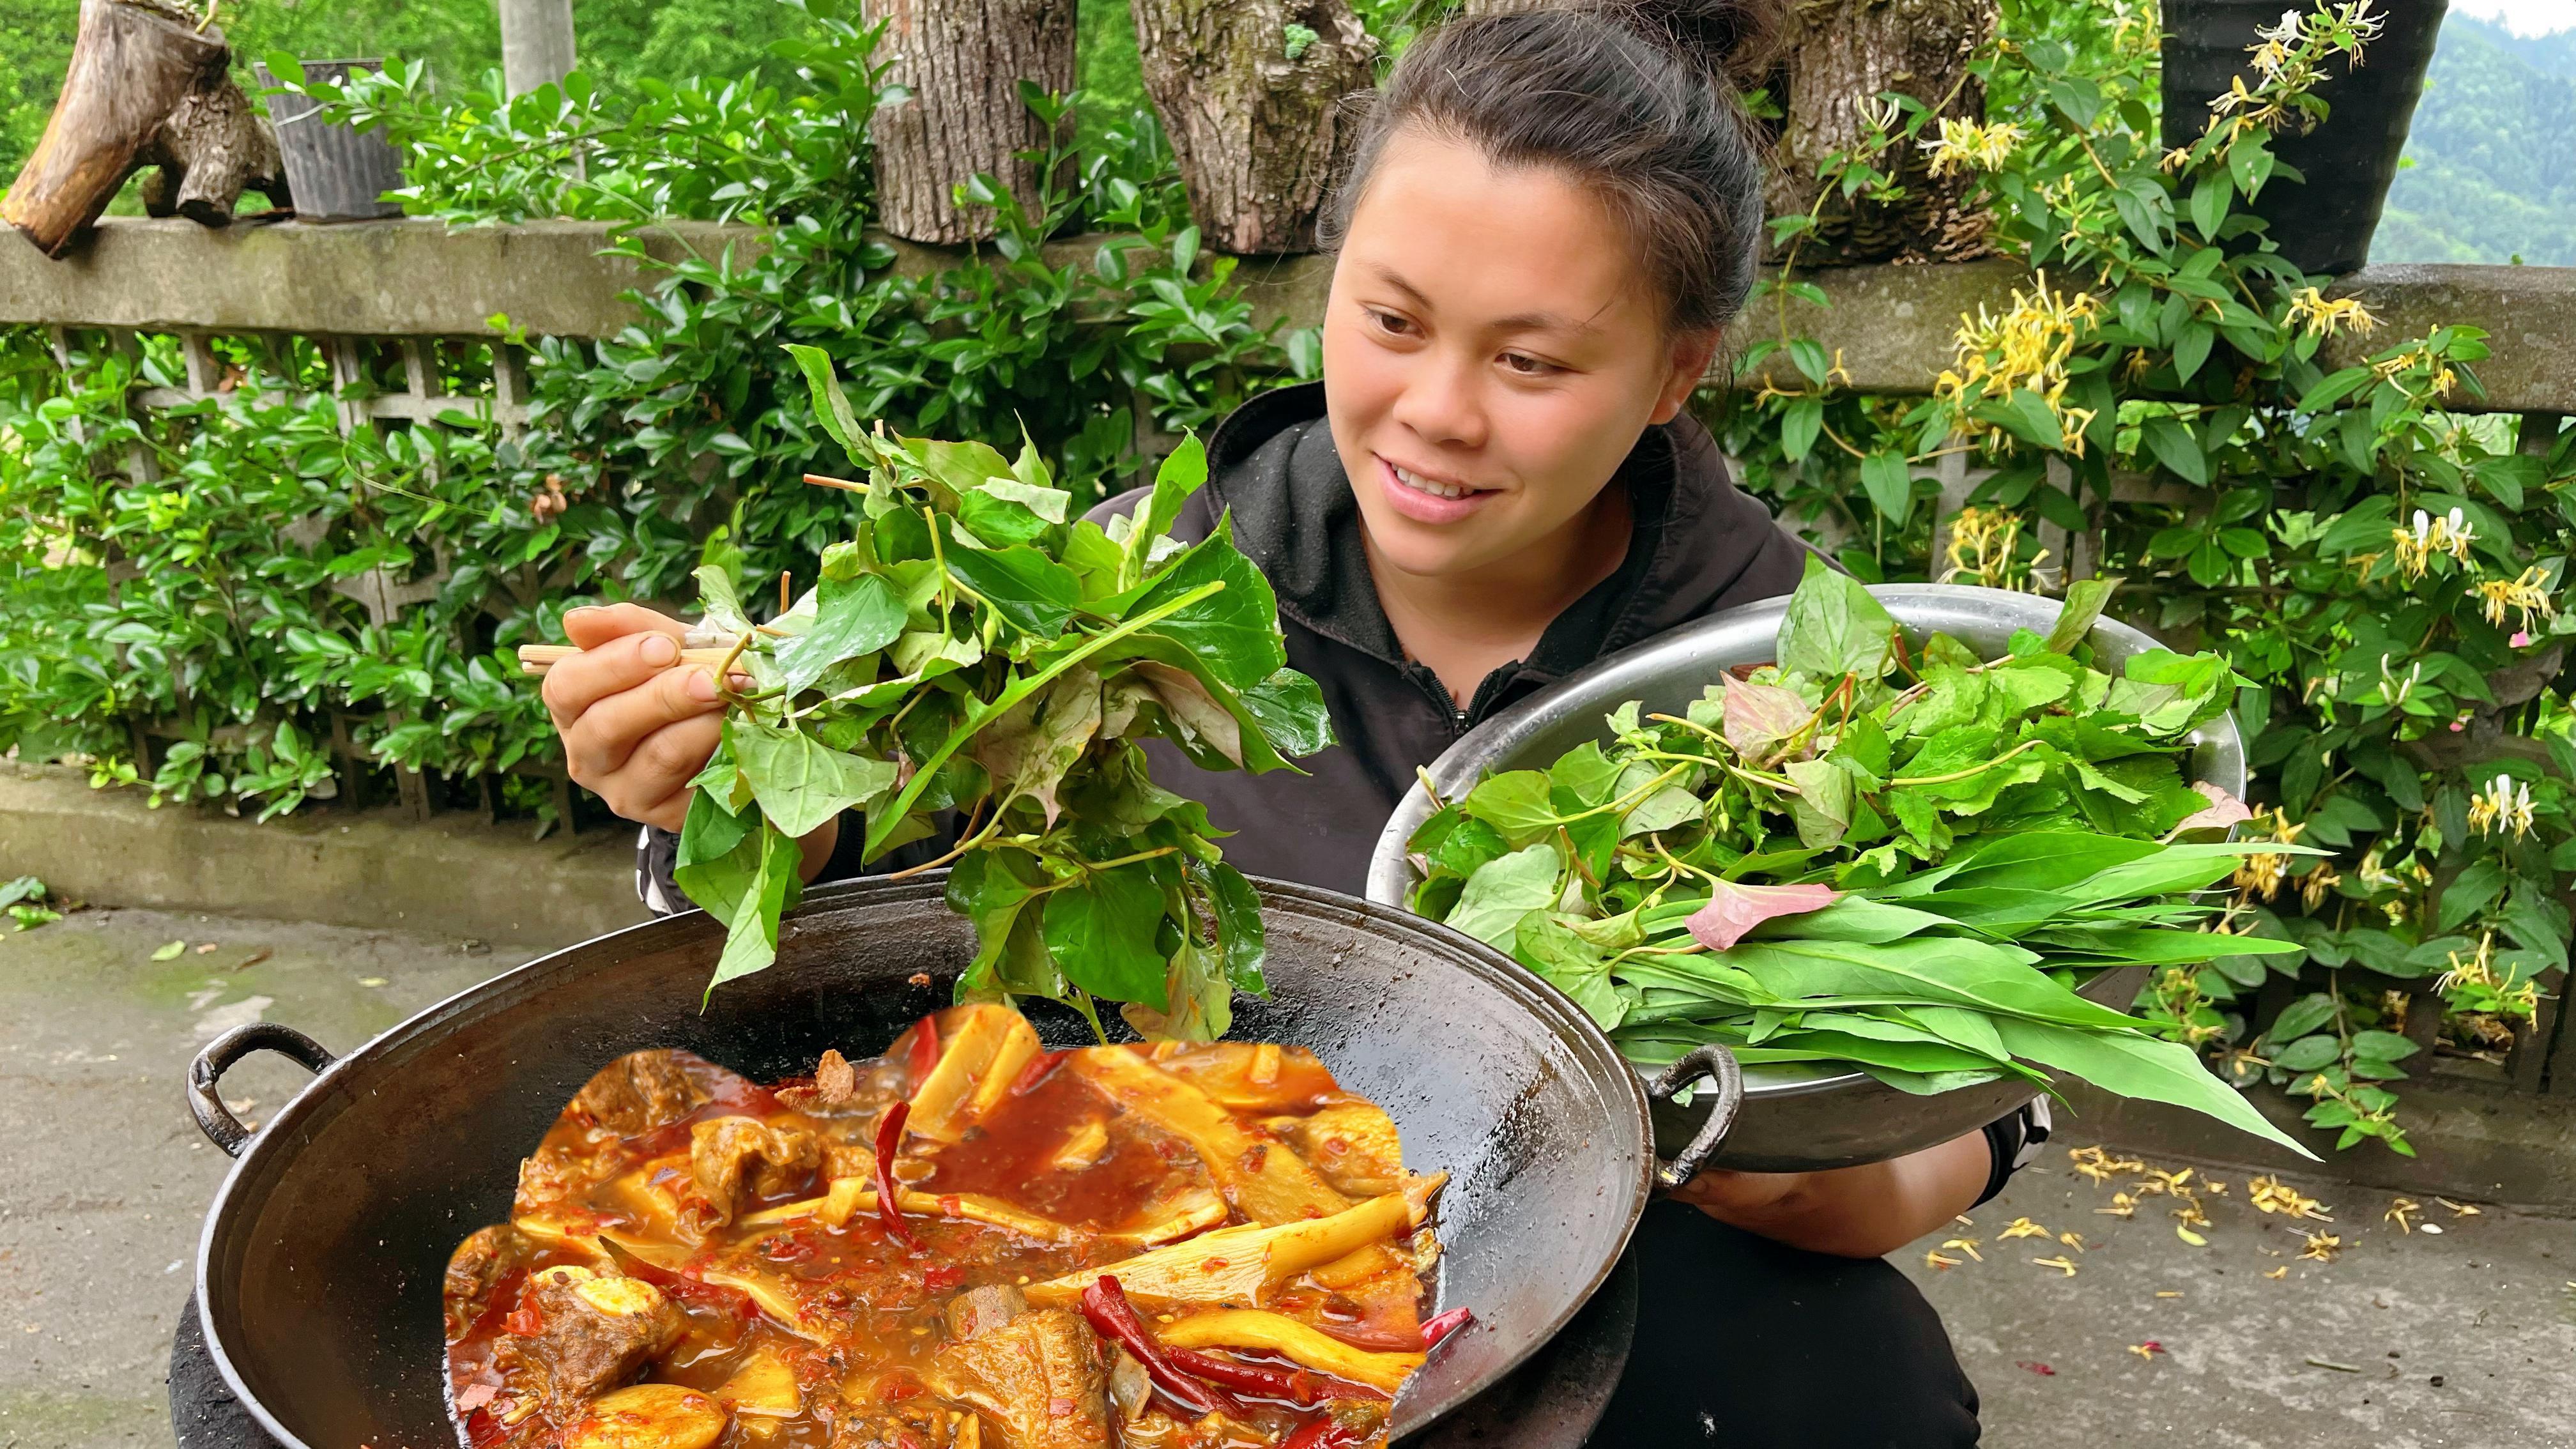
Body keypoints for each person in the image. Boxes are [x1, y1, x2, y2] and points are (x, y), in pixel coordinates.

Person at [540, 2, 2042, 1443]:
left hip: (1601, 1253)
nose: (1434, 413)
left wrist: (1838, 1179)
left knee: (1866, 1393)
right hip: (1130, 1243)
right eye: (1390, 320)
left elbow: (1966, 1100)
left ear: (1674, 373)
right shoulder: (1123, 598)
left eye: (1529, 361)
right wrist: (715, 797)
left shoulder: (1796, 677)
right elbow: (854, 913)